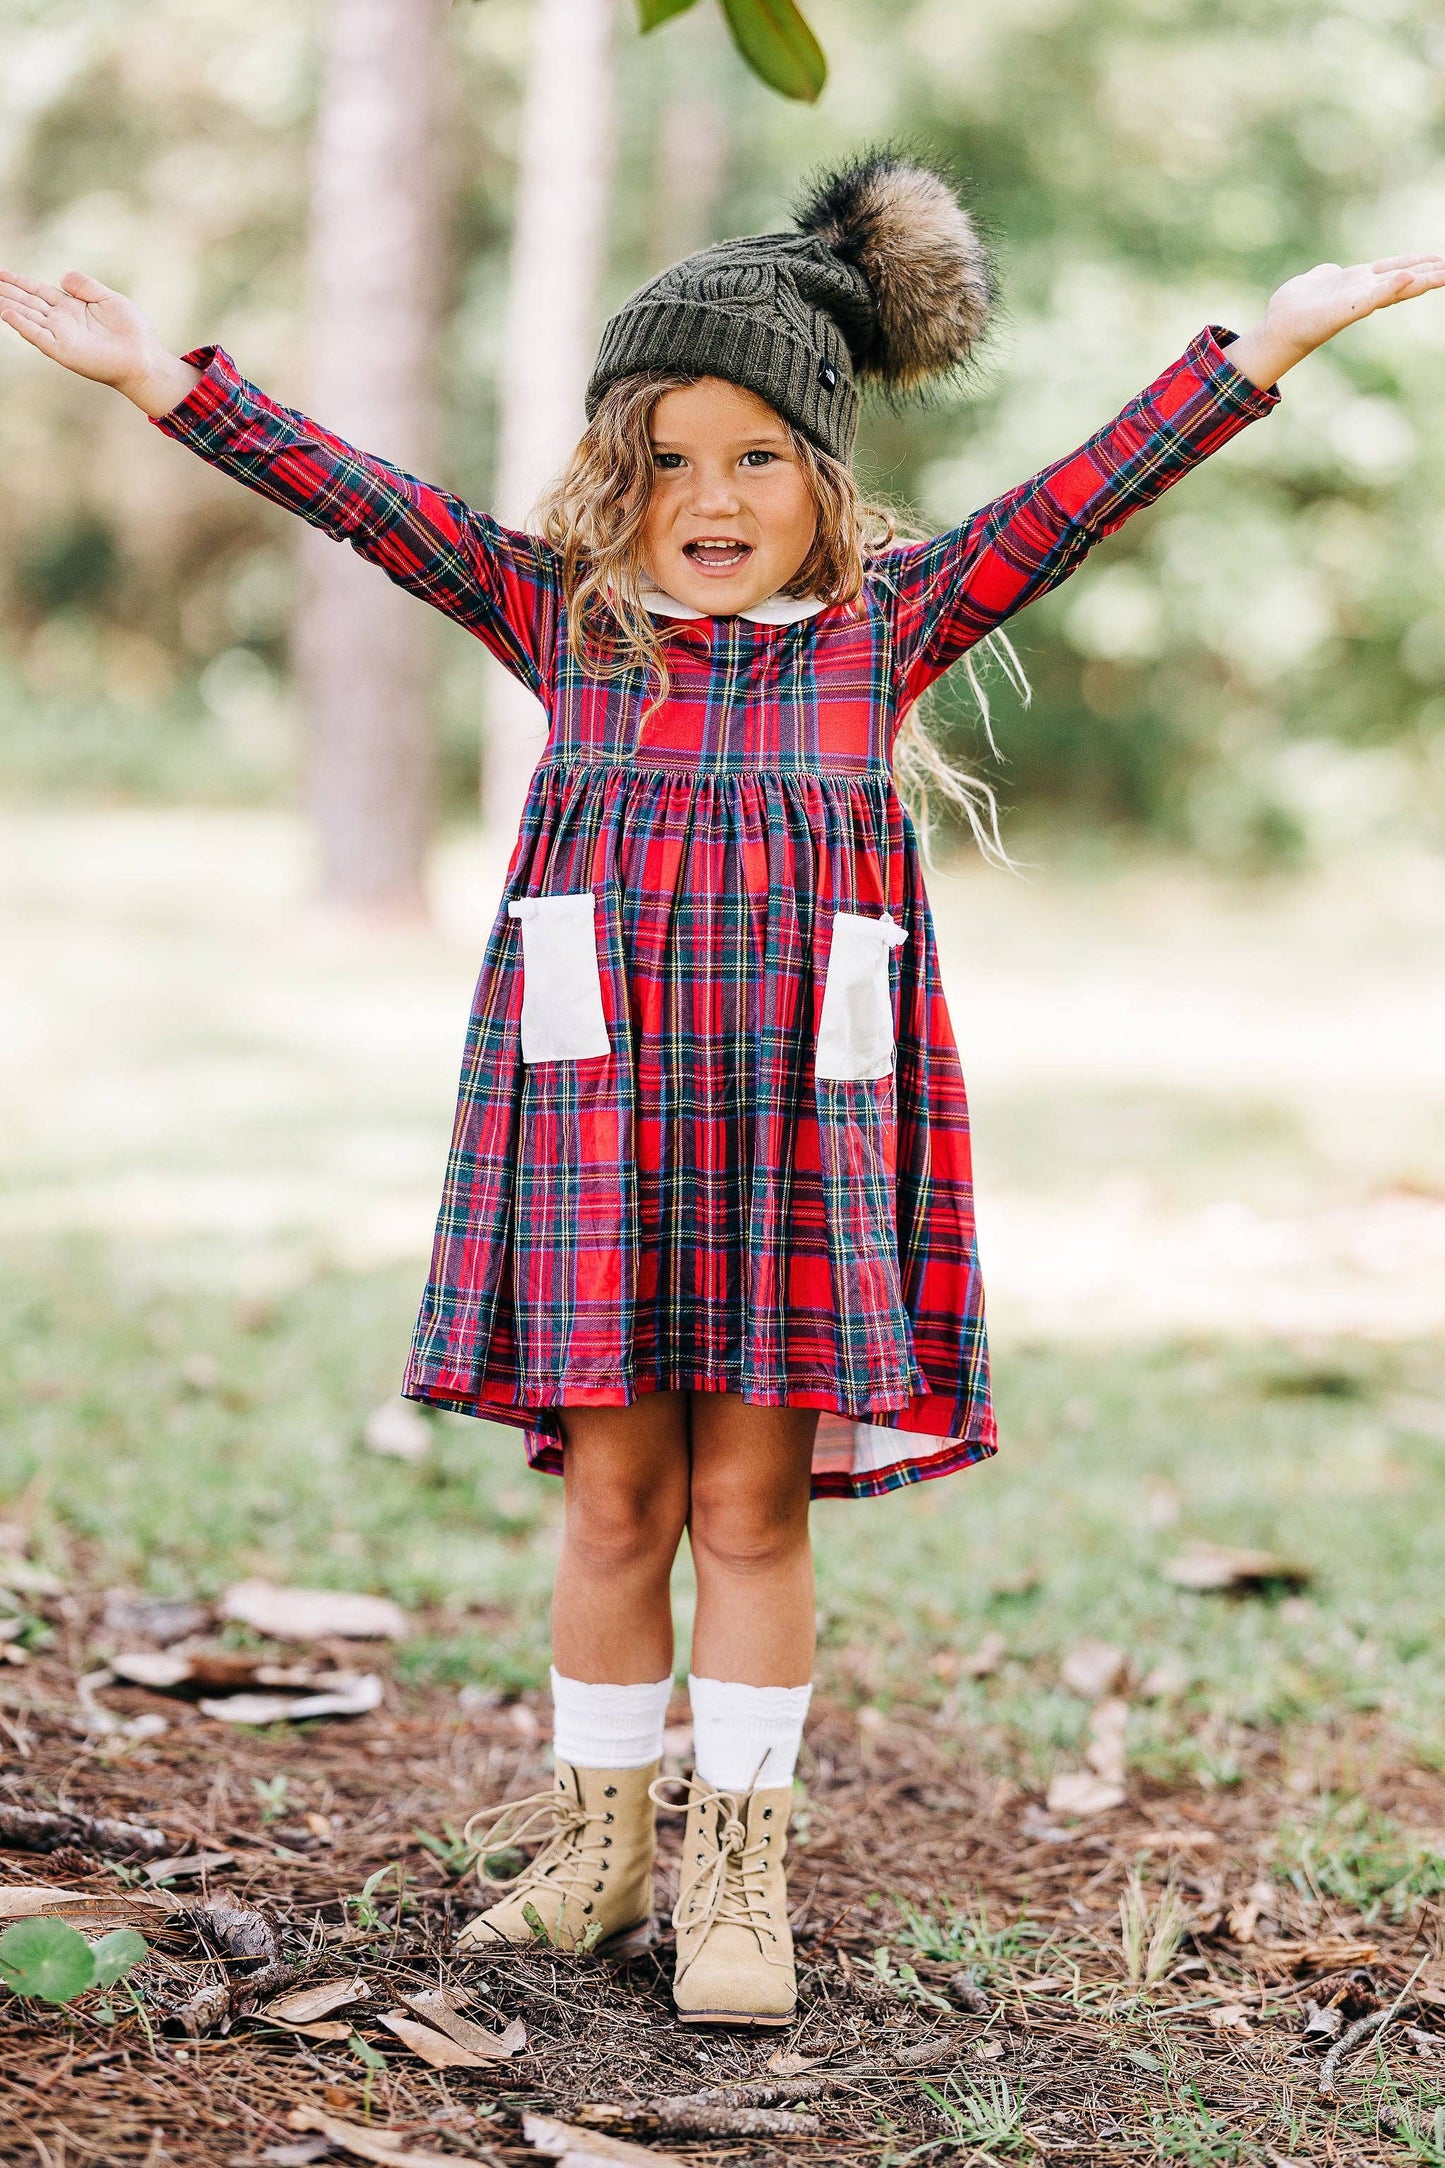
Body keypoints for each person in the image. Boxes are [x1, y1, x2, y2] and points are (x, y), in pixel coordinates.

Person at [3, 150, 1439, 2028]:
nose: (710, 498)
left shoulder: (888, 629)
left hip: (796, 1142)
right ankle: (597, 1844)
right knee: (612, 1504)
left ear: (825, 480)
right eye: (668, 458)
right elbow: (353, 497)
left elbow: (1088, 495)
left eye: (756, 457)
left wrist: (1261, 346)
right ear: (615, 471)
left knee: (751, 1511)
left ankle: (736, 1866)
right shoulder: (559, 619)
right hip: (595, 1137)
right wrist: (160, 382)